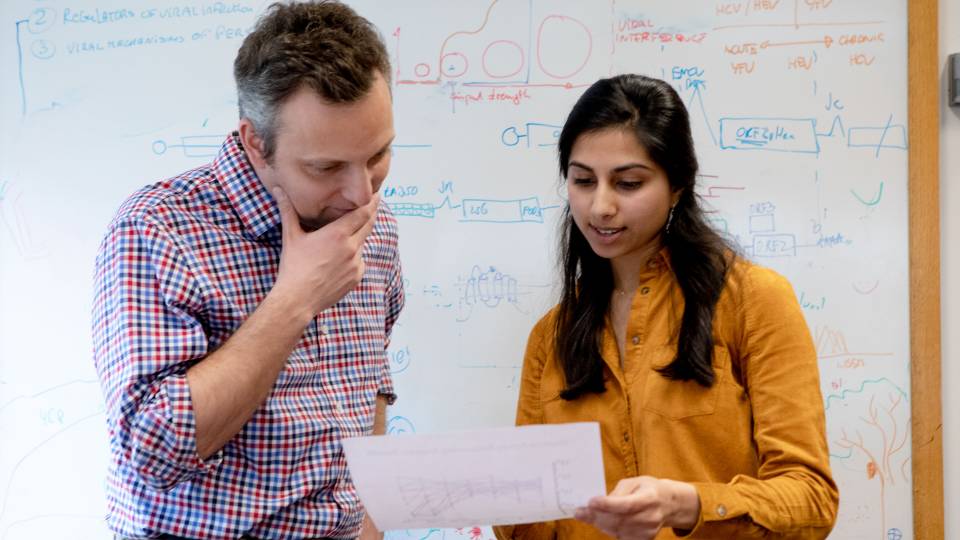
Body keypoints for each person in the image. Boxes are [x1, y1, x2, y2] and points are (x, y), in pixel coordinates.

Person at [91, 2, 402, 539]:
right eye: (326, 167)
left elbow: (371, 384)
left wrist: (370, 522)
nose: (361, 194)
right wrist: (295, 301)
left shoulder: (378, 229)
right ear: (256, 143)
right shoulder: (156, 231)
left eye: (377, 155)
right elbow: (152, 451)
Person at [493, 74, 839, 539]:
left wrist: (688, 504)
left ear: (677, 185)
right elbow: (533, 527)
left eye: (628, 183)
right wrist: (495, 499)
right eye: (582, 181)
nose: (600, 207)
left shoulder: (754, 302)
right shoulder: (551, 335)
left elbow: (811, 499)